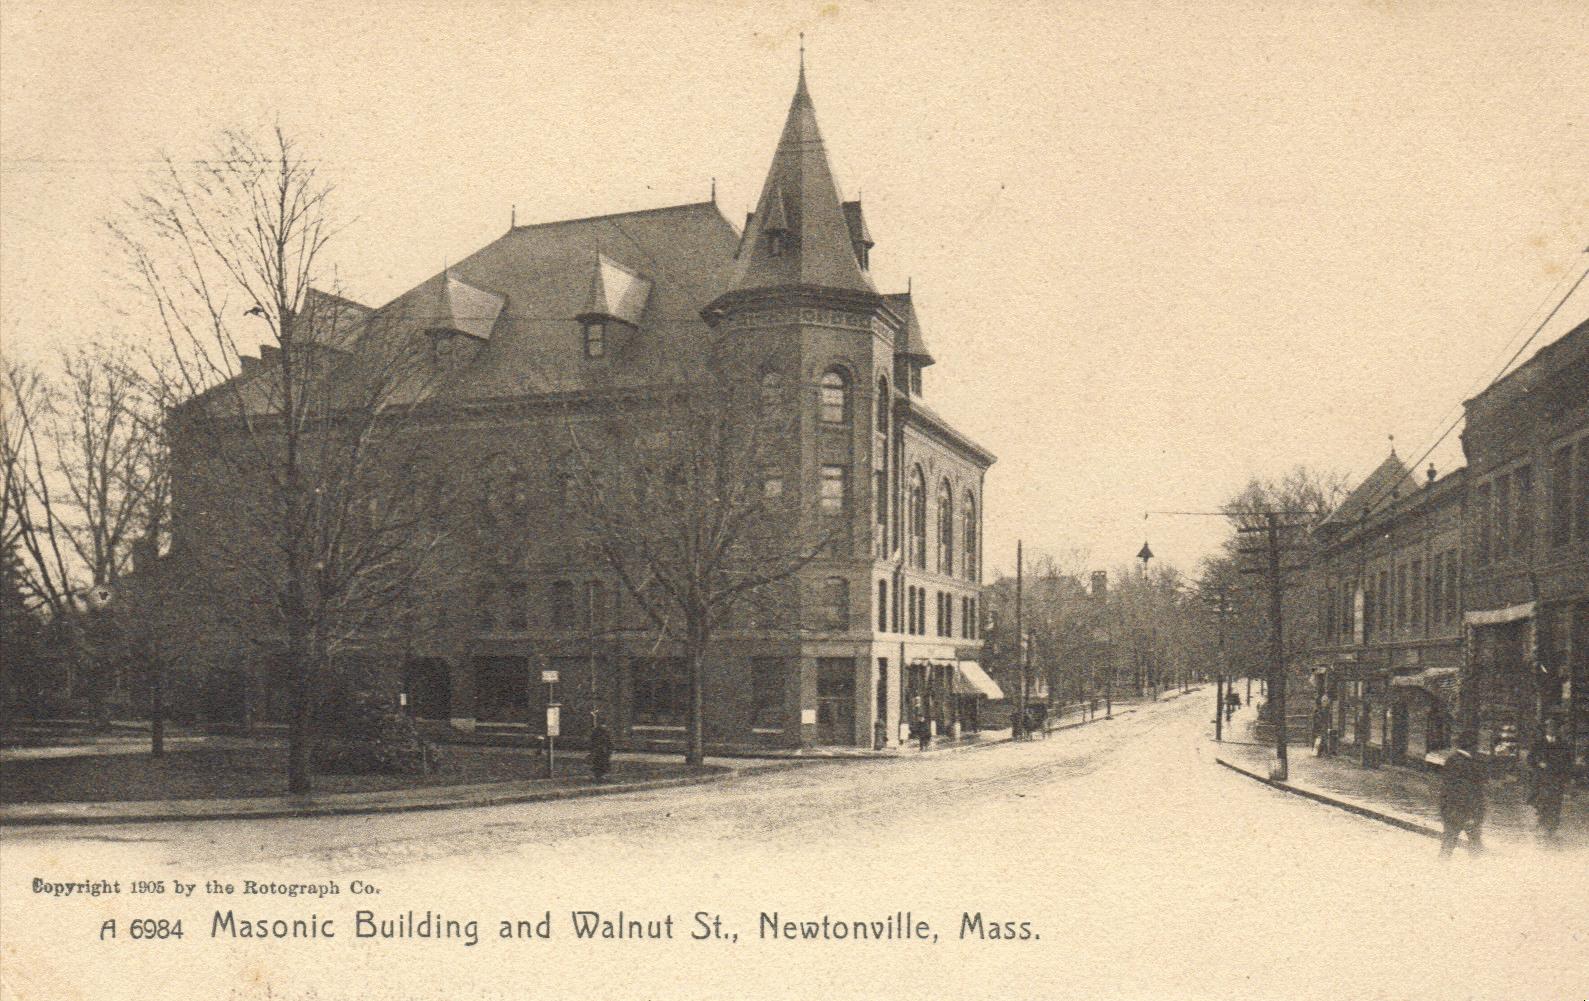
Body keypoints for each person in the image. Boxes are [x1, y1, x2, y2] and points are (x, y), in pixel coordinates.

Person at [1439, 733, 1487, 857]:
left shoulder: (1452, 760)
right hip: (1465, 811)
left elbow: (1448, 788)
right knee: (1475, 845)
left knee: (1448, 843)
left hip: (1451, 810)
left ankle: (1440, 870)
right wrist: (1473, 813)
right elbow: (1466, 791)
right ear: (1471, 746)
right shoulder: (1468, 763)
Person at [1527, 716, 1572, 840]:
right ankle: (1542, 823)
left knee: (1556, 803)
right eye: (1549, 727)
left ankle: (1552, 827)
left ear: (1557, 730)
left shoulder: (1563, 744)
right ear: (1546, 729)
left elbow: (1568, 762)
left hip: (1556, 779)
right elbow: (1529, 759)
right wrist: (1538, 764)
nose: (1552, 730)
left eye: (1554, 728)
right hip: (1542, 779)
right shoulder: (1538, 743)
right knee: (1542, 802)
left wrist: (1565, 776)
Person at [588, 714, 613, 782]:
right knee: (601, 762)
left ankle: (599, 776)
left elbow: (592, 740)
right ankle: (600, 776)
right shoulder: (605, 730)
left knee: (599, 762)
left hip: (600, 749)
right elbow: (609, 741)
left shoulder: (597, 730)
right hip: (602, 749)